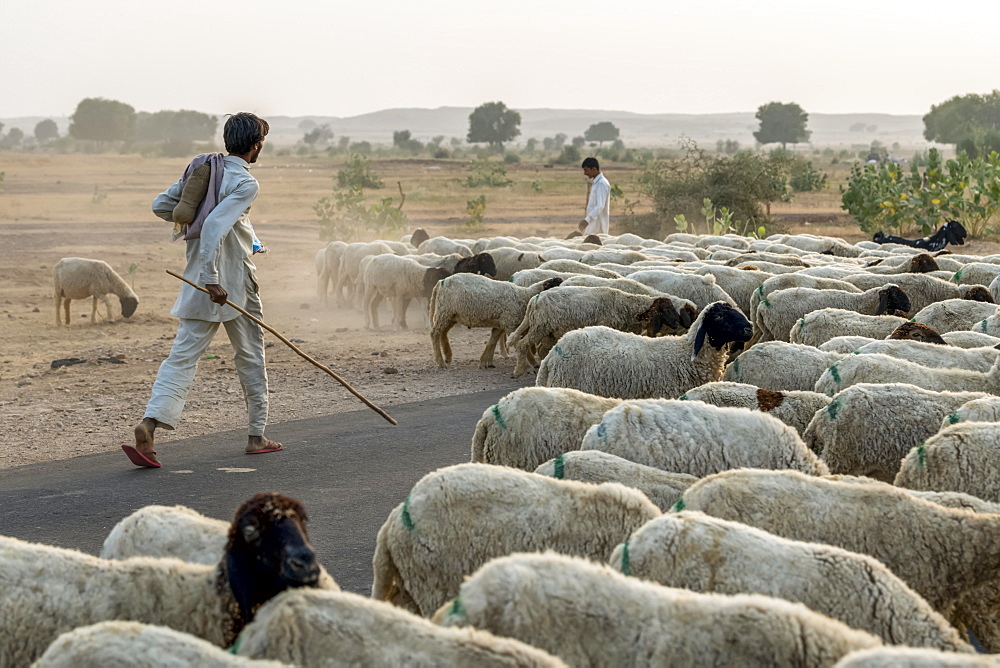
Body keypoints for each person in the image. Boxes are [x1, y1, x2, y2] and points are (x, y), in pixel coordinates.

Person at [122, 112, 280, 468]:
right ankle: (257, 436)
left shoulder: (205, 169)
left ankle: (149, 424)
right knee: (251, 357)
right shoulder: (245, 183)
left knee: (181, 359)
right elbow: (212, 228)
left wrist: (194, 213)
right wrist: (214, 278)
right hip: (232, 287)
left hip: (196, 282)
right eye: (261, 144)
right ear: (256, 146)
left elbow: (161, 205)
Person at [577, 157, 610, 235]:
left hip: (598, 226)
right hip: (593, 225)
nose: (585, 173)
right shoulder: (597, 183)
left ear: (594, 169)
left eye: (586, 170)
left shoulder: (602, 183)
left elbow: (600, 206)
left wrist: (587, 220)